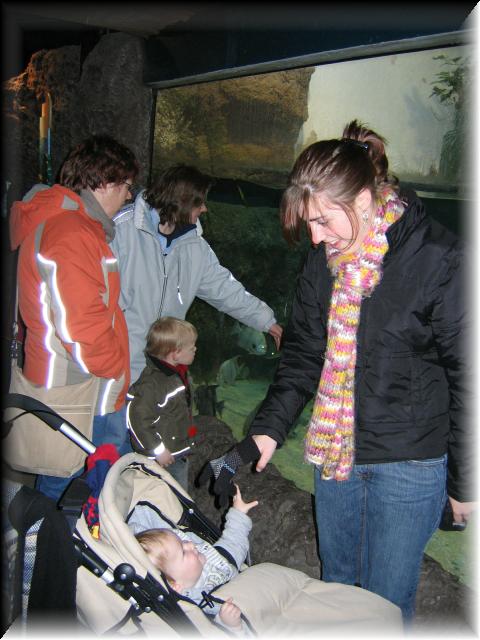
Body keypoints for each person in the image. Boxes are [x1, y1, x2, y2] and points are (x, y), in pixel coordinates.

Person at [198, 120, 474, 623]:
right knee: (336, 587)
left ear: (364, 199)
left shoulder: (441, 258)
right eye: (309, 223)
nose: (315, 236)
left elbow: (467, 378)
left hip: (409, 462)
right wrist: (265, 432)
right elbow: (304, 354)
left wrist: (465, 482)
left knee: (386, 603)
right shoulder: (320, 262)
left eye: (324, 221)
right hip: (335, 454)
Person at [9, 135, 139, 500]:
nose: (129, 195)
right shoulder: (72, 232)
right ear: (105, 182)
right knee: (68, 493)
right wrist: (116, 368)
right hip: (81, 393)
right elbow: (82, 328)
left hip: (74, 387)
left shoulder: (68, 225)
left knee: (63, 487)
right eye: (126, 186)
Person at [110, 164, 283, 385]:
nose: (204, 209)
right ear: (181, 201)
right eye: (199, 202)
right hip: (115, 367)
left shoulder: (195, 247)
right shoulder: (121, 231)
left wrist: (267, 321)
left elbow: (224, 288)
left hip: (161, 370)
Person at [134, 484, 257, 636]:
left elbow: (232, 544)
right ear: (176, 586)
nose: (191, 544)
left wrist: (238, 513)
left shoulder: (212, 560)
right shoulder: (197, 611)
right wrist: (231, 626)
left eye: (183, 542)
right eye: (183, 552)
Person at [127, 316, 199, 490]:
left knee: (179, 491)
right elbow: (137, 419)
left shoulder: (177, 374)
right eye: (191, 347)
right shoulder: (152, 384)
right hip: (162, 459)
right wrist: (158, 450)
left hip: (176, 450)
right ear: (175, 353)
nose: (195, 349)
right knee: (172, 496)